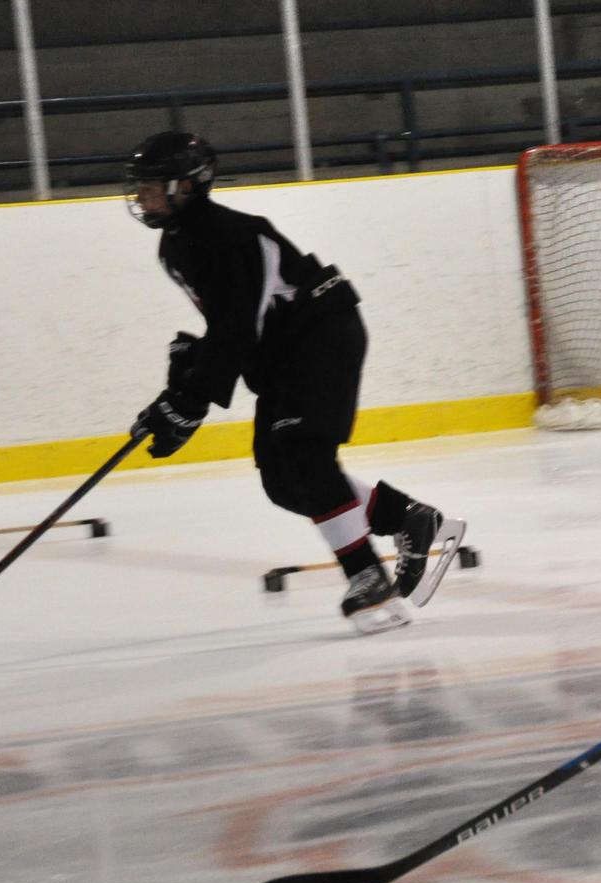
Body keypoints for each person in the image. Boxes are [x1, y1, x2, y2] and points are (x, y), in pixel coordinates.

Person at [122, 131, 464, 633]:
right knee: (284, 482)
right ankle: (407, 517)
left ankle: (367, 578)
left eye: (152, 186)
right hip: (287, 351)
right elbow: (231, 326)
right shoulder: (175, 247)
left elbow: (239, 327)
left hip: (322, 334)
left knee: (304, 453)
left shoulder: (231, 235)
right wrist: (181, 389)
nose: (142, 196)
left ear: (188, 186)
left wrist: (189, 398)